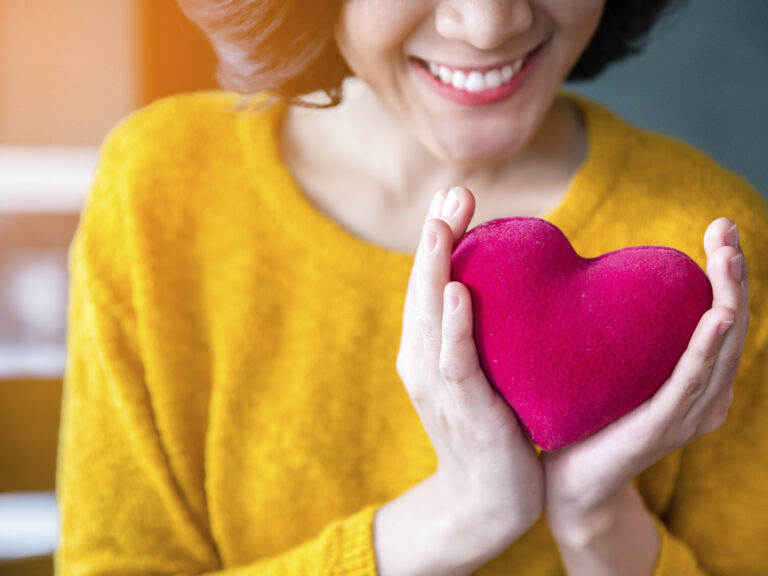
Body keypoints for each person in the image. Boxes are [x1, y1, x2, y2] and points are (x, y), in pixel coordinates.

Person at [55, 1, 768, 574]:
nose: (488, 23)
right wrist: (460, 516)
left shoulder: (714, 243)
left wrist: (599, 518)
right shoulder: (159, 191)